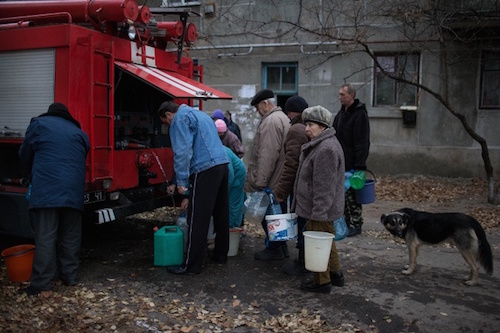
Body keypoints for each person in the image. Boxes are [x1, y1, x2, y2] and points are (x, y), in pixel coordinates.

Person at [18, 103, 90, 296]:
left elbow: (25, 153)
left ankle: (41, 284)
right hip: (74, 190)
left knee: (46, 236)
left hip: (47, 189)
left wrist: (27, 174)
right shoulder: (80, 133)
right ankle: (70, 277)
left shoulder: (39, 124)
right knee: (70, 236)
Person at [158, 101, 229, 275]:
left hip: (204, 169)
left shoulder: (180, 119)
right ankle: (220, 255)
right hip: (222, 165)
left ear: (168, 115)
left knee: (197, 218)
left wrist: (181, 181)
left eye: (166, 122)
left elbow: (182, 151)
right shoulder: (201, 114)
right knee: (221, 214)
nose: (168, 125)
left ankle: (192, 265)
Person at [293, 105, 345, 294]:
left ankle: (322, 282)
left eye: (311, 124)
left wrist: (319, 213)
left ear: (322, 126)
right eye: (306, 124)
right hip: (319, 208)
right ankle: (336, 274)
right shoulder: (323, 144)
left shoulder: (325, 149)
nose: (306, 128)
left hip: (319, 209)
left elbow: (325, 186)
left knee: (318, 245)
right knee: (327, 241)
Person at [244, 89, 290, 260]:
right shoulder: (281, 118)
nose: (257, 111)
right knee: (278, 213)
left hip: (272, 180)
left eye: (257, 107)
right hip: (279, 177)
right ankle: (280, 246)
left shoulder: (271, 121)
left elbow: (267, 154)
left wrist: (261, 180)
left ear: (265, 103)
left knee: (270, 215)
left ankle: (274, 248)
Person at [273, 96, 310, 276]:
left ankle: (303, 263)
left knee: (302, 222)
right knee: (307, 224)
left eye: (288, 112)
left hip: (300, 187)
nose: (287, 116)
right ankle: (307, 261)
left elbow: (291, 165)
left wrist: (281, 191)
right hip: (309, 185)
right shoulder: (309, 127)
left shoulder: (296, 129)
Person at [333, 83, 370, 237]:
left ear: (351, 95)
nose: (340, 97)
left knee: (353, 196)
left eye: (343, 94)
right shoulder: (341, 114)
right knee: (343, 195)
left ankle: (356, 223)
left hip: (354, 164)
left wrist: (359, 165)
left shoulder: (359, 114)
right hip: (341, 162)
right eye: (339, 94)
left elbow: (362, 142)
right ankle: (348, 222)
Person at [222, 146, 246, 229]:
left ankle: (231, 229)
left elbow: (230, 176)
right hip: (229, 175)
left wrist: (223, 193)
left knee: (233, 204)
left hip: (237, 175)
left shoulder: (223, 153)